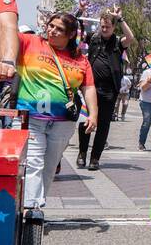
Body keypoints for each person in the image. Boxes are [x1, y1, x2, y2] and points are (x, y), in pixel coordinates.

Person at [16, 13, 96, 209]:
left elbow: (89, 87)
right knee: (33, 163)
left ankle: (36, 205)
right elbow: (7, 29)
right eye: (51, 25)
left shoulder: (81, 60)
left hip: (63, 123)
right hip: (30, 118)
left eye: (59, 29)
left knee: (50, 166)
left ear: (71, 34)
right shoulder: (29, 42)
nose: (52, 30)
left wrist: (93, 114)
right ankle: (30, 209)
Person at [77, 10, 136, 170]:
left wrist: (120, 18)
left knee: (103, 126)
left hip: (109, 91)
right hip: (90, 89)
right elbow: (77, 31)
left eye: (107, 27)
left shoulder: (118, 42)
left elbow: (130, 37)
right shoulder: (93, 38)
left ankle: (95, 158)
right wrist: (80, 11)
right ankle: (82, 153)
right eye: (102, 26)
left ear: (113, 27)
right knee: (85, 122)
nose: (104, 29)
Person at [137, 62, 151, 150]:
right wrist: (149, 81)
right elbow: (143, 88)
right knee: (146, 123)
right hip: (147, 102)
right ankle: (141, 143)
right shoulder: (147, 72)